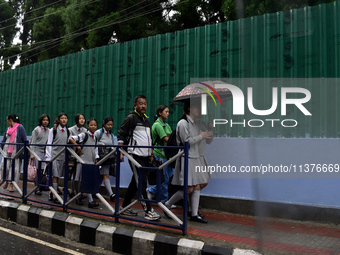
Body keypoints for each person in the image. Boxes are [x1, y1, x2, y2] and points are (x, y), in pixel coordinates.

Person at [163, 101, 213, 223]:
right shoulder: (182, 123)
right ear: (189, 108)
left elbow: (205, 141)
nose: (199, 110)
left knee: (196, 186)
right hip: (187, 158)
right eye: (197, 107)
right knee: (189, 188)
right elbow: (187, 142)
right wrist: (201, 136)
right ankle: (167, 205)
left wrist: (209, 130)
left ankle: (194, 214)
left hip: (195, 157)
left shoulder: (195, 123)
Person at [117, 95, 161, 221]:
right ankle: (148, 211)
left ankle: (124, 207)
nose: (143, 106)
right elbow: (121, 133)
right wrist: (120, 151)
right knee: (141, 182)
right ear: (135, 105)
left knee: (135, 183)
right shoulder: (131, 118)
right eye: (140, 103)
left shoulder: (146, 120)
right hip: (134, 155)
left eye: (145, 104)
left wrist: (151, 153)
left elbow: (149, 139)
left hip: (146, 156)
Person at [69, 118, 99, 208]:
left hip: (90, 161)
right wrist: (77, 146)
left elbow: (96, 149)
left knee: (86, 180)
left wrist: (96, 158)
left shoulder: (95, 138)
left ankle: (87, 199)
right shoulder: (84, 135)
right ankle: (81, 196)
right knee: (78, 179)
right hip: (81, 161)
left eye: (94, 125)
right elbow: (71, 138)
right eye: (91, 125)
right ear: (88, 126)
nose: (93, 127)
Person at [146, 105, 173, 203]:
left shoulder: (166, 125)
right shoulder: (157, 125)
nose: (168, 113)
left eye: (168, 112)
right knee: (164, 179)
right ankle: (165, 201)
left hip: (167, 154)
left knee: (168, 178)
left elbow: (171, 137)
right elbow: (165, 138)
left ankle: (152, 191)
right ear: (160, 113)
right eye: (166, 111)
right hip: (160, 154)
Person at [45, 112, 70, 204]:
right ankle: (55, 195)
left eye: (65, 118)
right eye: (62, 118)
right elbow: (49, 143)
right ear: (58, 120)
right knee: (54, 175)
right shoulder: (53, 130)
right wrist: (48, 157)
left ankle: (52, 193)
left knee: (59, 175)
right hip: (54, 156)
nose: (64, 120)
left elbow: (68, 144)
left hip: (63, 157)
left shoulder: (68, 131)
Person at [0, 114, 28, 192]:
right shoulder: (8, 128)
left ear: (10, 120)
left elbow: (25, 140)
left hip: (16, 152)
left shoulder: (20, 128)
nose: (7, 122)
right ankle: (5, 180)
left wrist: (26, 152)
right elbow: (4, 140)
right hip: (6, 151)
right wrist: (0, 148)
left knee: (15, 169)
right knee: (5, 167)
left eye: (7, 120)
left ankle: (11, 185)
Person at [94, 116, 115, 202]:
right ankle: (111, 194)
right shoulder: (99, 132)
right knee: (105, 174)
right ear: (104, 124)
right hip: (99, 158)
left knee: (101, 176)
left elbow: (113, 145)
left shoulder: (111, 135)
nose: (110, 126)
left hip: (108, 158)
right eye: (108, 124)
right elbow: (93, 142)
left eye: (111, 125)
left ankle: (95, 191)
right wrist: (100, 144)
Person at [30, 114, 51, 195]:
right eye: (44, 120)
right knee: (38, 171)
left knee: (42, 171)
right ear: (41, 121)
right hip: (37, 152)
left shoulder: (49, 131)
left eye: (47, 120)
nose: (45, 122)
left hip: (45, 152)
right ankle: (37, 188)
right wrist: (32, 154)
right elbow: (33, 142)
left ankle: (41, 186)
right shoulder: (37, 130)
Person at [68, 114, 87, 198]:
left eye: (83, 119)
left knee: (77, 174)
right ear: (76, 120)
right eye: (80, 119)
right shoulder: (71, 130)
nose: (82, 120)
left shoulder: (85, 131)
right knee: (72, 173)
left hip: (81, 155)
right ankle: (73, 191)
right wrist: (77, 146)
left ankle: (75, 192)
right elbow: (69, 140)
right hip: (72, 154)